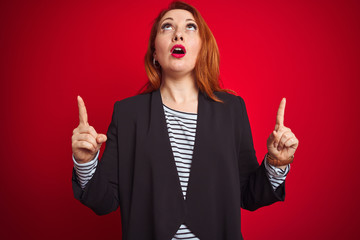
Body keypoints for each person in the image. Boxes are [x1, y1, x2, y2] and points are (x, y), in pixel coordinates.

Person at [71, 1, 299, 240]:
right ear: (155, 53)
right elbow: (105, 201)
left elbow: (250, 195)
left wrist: (277, 162)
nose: (178, 33)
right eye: (167, 27)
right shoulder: (128, 114)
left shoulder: (231, 109)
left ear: (202, 48)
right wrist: (85, 162)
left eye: (190, 27)